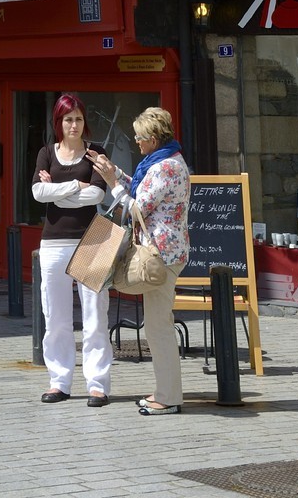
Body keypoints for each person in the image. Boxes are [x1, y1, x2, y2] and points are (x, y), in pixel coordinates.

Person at [87, 105, 191, 416]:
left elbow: (137, 208)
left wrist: (112, 183)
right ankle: (165, 389)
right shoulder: (162, 162)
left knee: (158, 328)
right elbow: (142, 190)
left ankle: (169, 397)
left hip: (161, 254)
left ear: (155, 138)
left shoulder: (166, 168)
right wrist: (114, 172)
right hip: (166, 251)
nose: (137, 143)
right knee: (159, 325)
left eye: (141, 138)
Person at [32, 93, 112, 406]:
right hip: (53, 242)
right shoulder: (45, 153)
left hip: (94, 239)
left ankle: (97, 385)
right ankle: (59, 382)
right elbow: (38, 192)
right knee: (56, 317)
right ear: (59, 123)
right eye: (68, 119)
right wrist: (75, 186)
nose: (74, 125)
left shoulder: (96, 153)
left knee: (95, 315)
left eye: (78, 119)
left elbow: (95, 195)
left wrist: (58, 192)